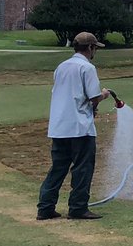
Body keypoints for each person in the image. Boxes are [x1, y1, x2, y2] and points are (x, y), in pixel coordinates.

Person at [36, 32, 112, 220]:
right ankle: (78, 208)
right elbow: (94, 97)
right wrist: (104, 94)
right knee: (82, 168)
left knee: (58, 168)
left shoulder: (61, 67)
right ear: (90, 48)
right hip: (80, 128)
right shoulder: (87, 68)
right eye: (95, 48)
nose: (95, 52)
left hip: (59, 127)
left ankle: (45, 208)